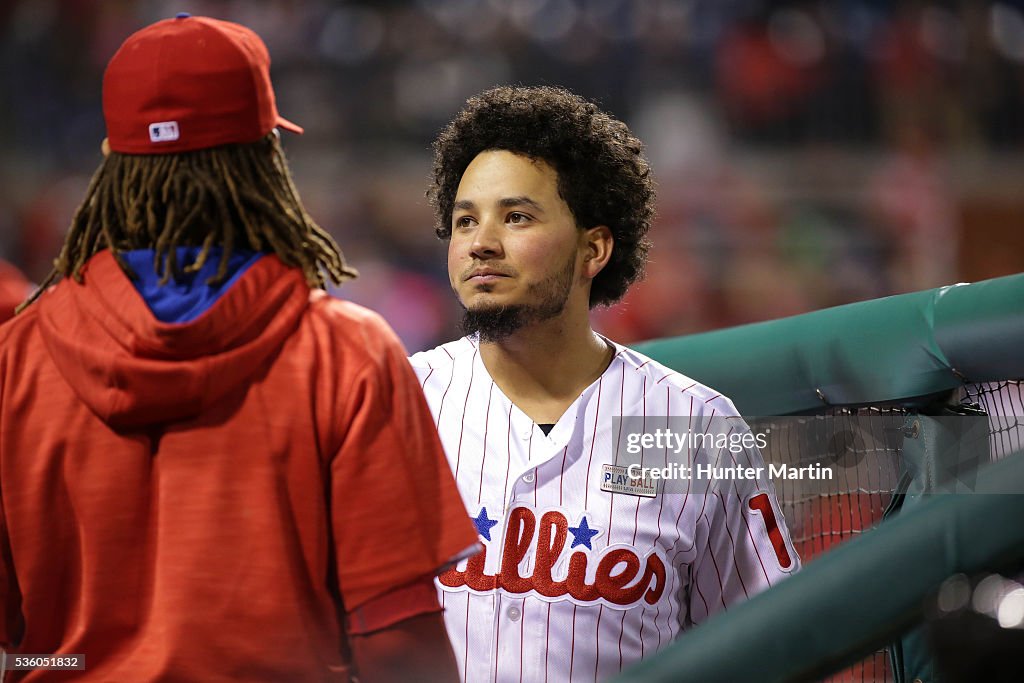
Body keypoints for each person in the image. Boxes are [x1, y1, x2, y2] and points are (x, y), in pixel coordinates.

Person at [0, 14, 477, 682]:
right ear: (263, 161)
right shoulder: (345, 351)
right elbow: (396, 639)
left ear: (114, 163)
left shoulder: (14, 358)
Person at [410, 85, 800, 682]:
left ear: (594, 249)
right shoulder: (399, 402)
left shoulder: (690, 426)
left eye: (516, 217)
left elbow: (771, 642)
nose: (480, 243)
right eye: (465, 221)